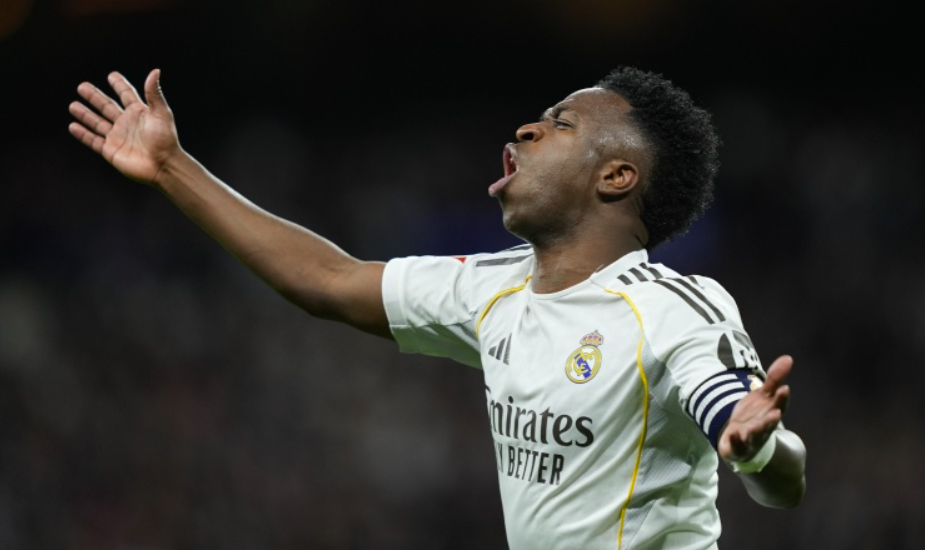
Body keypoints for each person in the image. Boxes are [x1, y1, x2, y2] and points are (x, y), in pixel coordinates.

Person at [68, 66, 806, 550]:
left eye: (560, 123)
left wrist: (756, 447)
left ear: (616, 176)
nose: (526, 130)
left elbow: (780, 476)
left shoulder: (673, 309)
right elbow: (327, 279)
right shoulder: (493, 289)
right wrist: (172, 167)